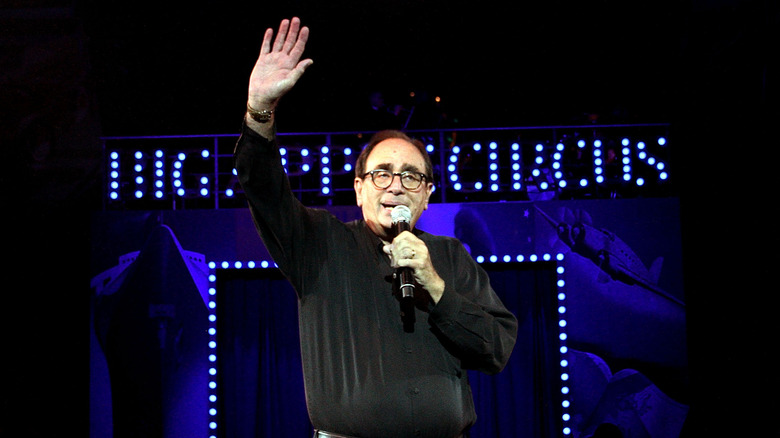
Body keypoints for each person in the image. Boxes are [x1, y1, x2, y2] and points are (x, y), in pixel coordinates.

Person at [234, 17, 518, 438]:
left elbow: (495, 349)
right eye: (381, 174)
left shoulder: (451, 257)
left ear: (426, 194)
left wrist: (435, 287)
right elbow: (263, 187)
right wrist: (261, 110)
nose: (395, 186)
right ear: (358, 188)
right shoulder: (318, 241)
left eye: (410, 176)